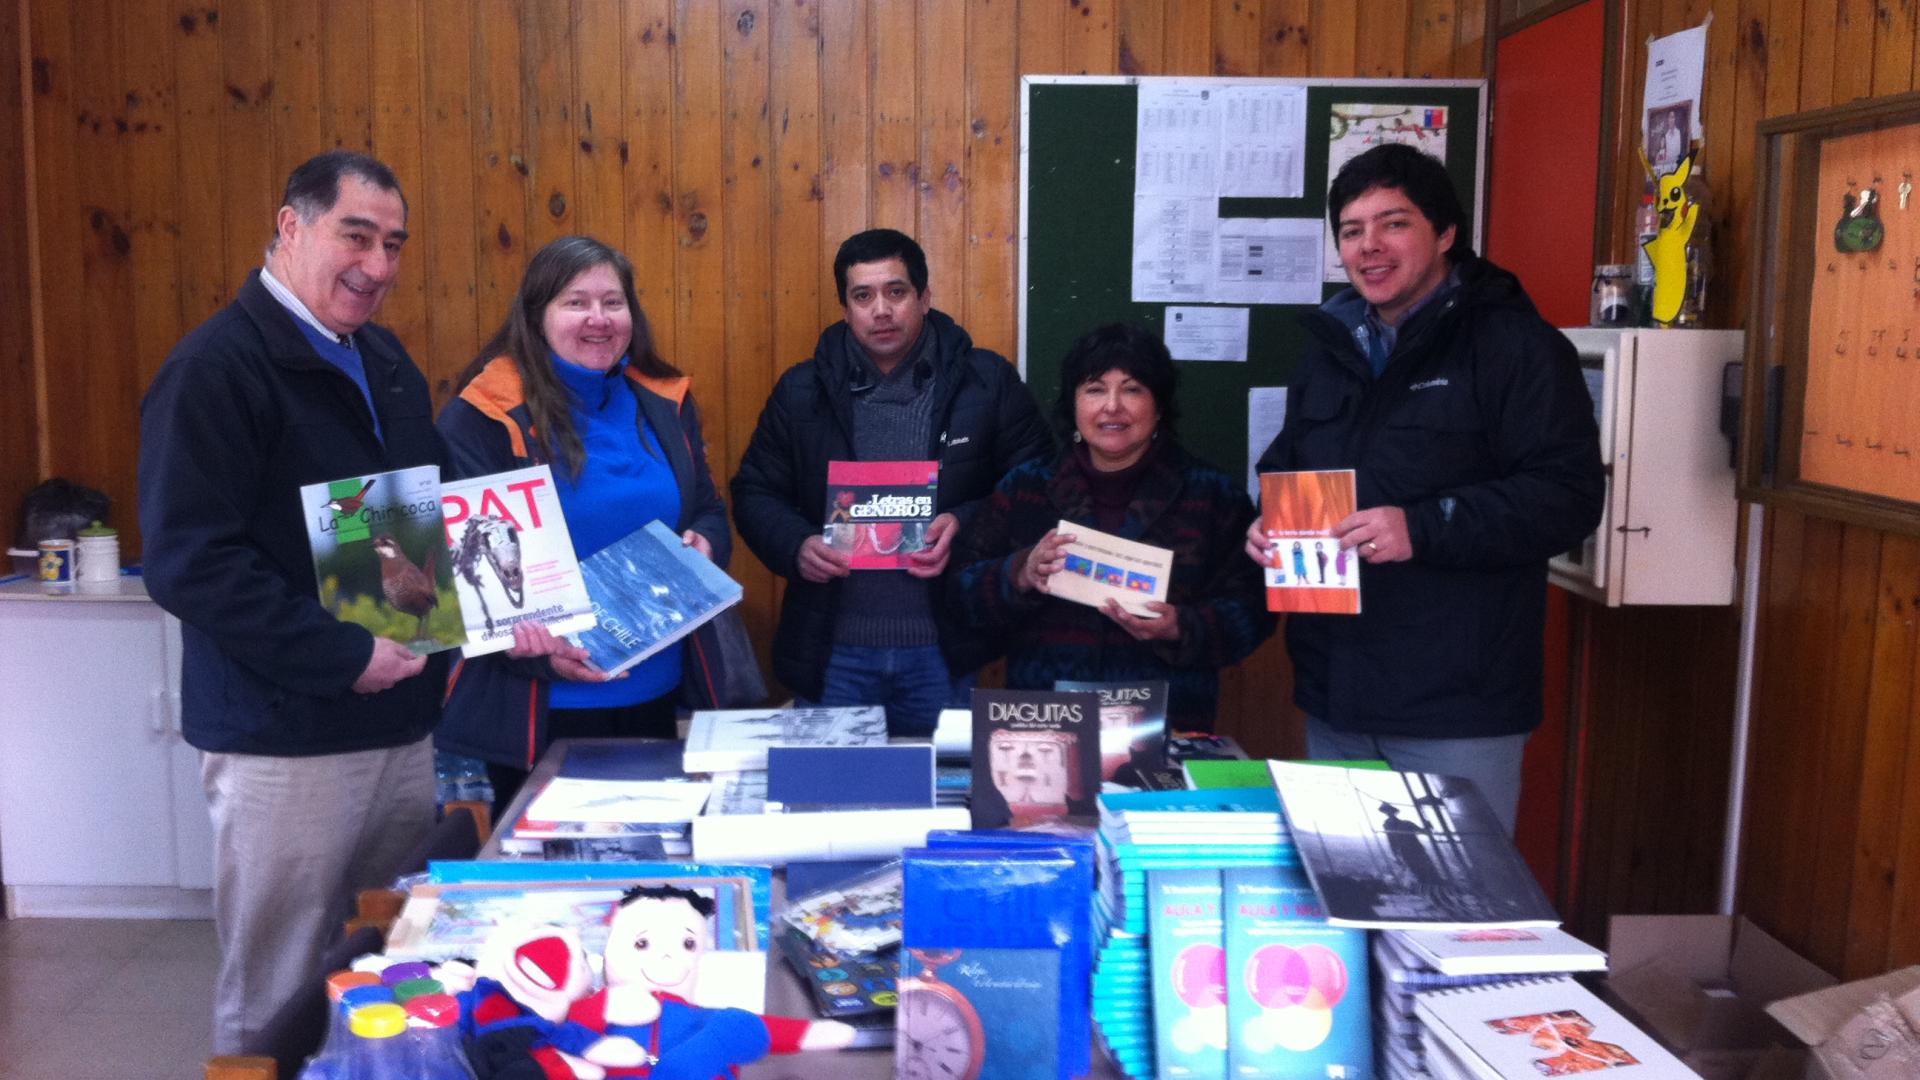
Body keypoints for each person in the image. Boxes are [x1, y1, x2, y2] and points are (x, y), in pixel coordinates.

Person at [139, 151, 568, 1053]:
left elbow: (427, 512)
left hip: (400, 726)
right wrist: (342, 653)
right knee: (280, 986)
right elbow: (189, 562)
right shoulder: (218, 367)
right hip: (285, 738)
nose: (377, 266)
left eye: (394, 245)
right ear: (292, 226)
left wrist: (525, 613)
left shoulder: (381, 355)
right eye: (356, 236)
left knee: (389, 961)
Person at [1247, 143, 1604, 835]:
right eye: (1351, 231)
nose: (1369, 247)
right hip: (1337, 696)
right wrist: (1265, 521)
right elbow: (1285, 463)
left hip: (1456, 707)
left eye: (1393, 223)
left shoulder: (1517, 348)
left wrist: (1424, 525)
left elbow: (1567, 496)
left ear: (1445, 234)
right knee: (1351, 916)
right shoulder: (1329, 349)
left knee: (1451, 919)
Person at [437, 235, 731, 814]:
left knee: (647, 866)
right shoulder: (483, 415)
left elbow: (709, 511)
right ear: (536, 315)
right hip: (540, 706)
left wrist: (705, 543)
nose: (598, 318)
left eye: (613, 302)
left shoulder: (663, 400)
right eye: (576, 302)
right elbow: (463, 570)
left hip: (657, 689)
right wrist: (541, 654)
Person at [731, 228, 1052, 736]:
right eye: (863, 296)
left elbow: (1037, 488)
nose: (881, 309)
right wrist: (796, 545)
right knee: (830, 804)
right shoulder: (801, 392)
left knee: (945, 802)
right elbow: (754, 491)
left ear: (924, 297)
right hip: (833, 652)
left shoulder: (986, 382)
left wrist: (963, 523)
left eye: (896, 292)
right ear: (845, 309)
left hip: (945, 651)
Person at [949, 322, 1276, 732]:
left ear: (1159, 406)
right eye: (1095, 389)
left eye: (1133, 389)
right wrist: (1020, 572)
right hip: (1044, 723)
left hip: (1164, 723)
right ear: (1073, 403)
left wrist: (1181, 626)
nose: (1112, 406)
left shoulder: (1212, 495)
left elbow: (1253, 611)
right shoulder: (1026, 487)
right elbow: (961, 593)